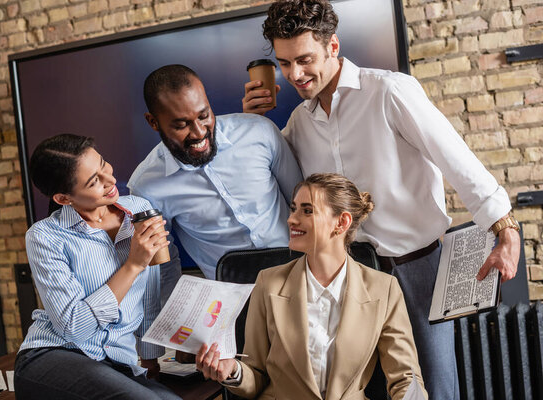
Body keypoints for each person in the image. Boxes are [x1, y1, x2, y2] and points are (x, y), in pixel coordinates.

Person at [241, 1, 521, 398]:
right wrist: (252, 128)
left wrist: (506, 231)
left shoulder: (390, 90)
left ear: (333, 46)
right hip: (346, 275)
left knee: (434, 388)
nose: (295, 75)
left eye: (304, 60)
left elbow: (457, 160)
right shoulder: (298, 124)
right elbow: (273, 184)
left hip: (416, 270)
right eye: (285, 64)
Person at [196, 173, 427, 399]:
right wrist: (232, 371)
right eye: (294, 208)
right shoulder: (268, 283)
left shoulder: (383, 289)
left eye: (307, 210)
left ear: (341, 222)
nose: (292, 219)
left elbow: (405, 377)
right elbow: (255, 375)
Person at [14, 134, 181, 400]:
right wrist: (134, 264)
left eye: (103, 164)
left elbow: (148, 296)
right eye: (94, 182)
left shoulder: (138, 210)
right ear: (63, 198)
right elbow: (73, 327)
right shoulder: (45, 236)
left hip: (118, 364)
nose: (111, 181)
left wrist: (150, 359)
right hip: (56, 355)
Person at [128, 64, 303, 279]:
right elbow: (162, 264)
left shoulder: (259, 130)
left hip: (299, 271)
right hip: (234, 294)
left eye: (204, 116)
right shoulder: (145, 187)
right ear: (153, 122)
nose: (199, 133)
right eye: (182, 125)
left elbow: (301, 201)